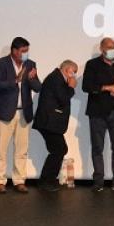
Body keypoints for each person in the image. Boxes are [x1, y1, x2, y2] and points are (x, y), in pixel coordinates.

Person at [0, 37, 41, 194]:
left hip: (23, 112)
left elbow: (38, 87)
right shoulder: (1, 63)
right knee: (1, 148)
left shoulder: (30, 64)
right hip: (4, 112)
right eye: (23, 51)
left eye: (27, 51)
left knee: (21, 149)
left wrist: (32, 79)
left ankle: (19, 180)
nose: (26, 54)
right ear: (14, 50)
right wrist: (15, 80)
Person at [81, 37, 114, 192]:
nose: (112, 50)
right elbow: (87, 86)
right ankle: (98, 181)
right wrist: (108, 88)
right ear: (101, 49)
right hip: (98, 112)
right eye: (109, 47)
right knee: (97, 148)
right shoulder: (92, 65)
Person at [33, 61, 78, 192]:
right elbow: (63, 98)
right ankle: (46, 181)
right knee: (59, 149)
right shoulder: (56, 78)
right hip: (48, 122)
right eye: (74, 72)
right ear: (67, 70)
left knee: (59, 149)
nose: (74, 75)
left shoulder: (56, 78)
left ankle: (48, 180)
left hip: (51, 122)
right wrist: (71, 87)